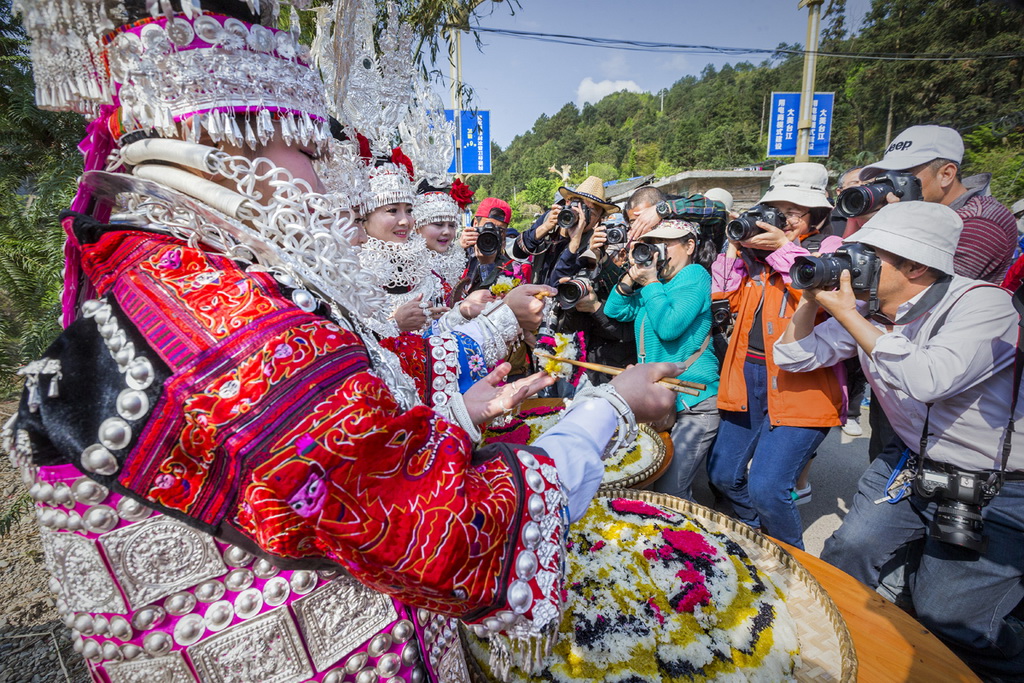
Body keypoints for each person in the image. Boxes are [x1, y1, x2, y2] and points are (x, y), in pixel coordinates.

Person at [5, 1, 681, 679]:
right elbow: (453, 531)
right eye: (304, 150)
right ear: (225, 146)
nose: (326, 183)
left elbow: (369, 375)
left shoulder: (171, 276)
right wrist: (610, 408)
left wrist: (500, 322)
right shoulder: (228, 327)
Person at [774, 201, 1024, 680]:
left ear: (915, 265)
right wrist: (810, 298)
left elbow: (930, 378)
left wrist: (849, 315)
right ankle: (838, 649)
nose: (852, 265)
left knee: (951, 617)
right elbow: (794, 356)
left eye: (868, 255)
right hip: (911, 458)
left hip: (995, 482)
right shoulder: (871, 311)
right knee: (848, 553)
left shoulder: (983, 304)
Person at [706, 162, 845, 549]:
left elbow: (824, 305)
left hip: (802, 382)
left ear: (816, 214)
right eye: (775, 211)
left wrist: (785, 251)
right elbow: (723, 299)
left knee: (768, 487)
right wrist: (734, 250)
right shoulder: (756, 256)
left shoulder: (830, 251)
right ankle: (754, 535)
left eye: (792, 212)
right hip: (745, 372)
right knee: (722, 474)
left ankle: (794, 563)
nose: (780, 220)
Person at [604, 219, 721, 501]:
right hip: (661, 399)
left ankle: (697, 540)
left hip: (694, 402)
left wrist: (651, 282)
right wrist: (633, 277)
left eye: (665, 244)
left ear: (689, 246)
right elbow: (615, 309)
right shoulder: (658, 284)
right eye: (653, 244)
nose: (659, 251)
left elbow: (670, 326)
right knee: (646, 482)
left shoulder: (695, 276)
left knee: (672, 491)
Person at [858, 125, 1018, 284]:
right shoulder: (929, 212)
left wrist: (888, 223)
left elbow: (922, 291)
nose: (891, 185)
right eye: (886, 175)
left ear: (946, 175)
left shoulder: (980, 222)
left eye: (902, 174)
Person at [459, 196, 513, 290]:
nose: (491, 234)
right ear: (475, 224)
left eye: (499, 230)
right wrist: (457, 249)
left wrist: (488, 265)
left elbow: (495, 298)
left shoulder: (506, 265)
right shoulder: (459, 250)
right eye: (487, 227)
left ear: (504, 234)